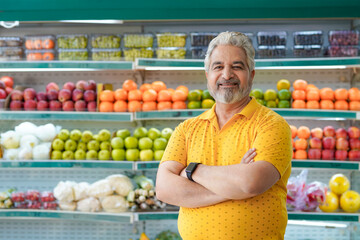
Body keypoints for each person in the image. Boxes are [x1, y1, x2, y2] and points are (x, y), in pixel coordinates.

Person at [156, 31, 292, 240]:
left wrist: (192, 170)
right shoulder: (187, 129)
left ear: (252, 75)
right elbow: (164, 189)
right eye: (218, 67)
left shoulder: (271, 125)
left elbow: (251, 183)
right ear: (208, 75)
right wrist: (232, 187)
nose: (227, 75)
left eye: (237, 66)